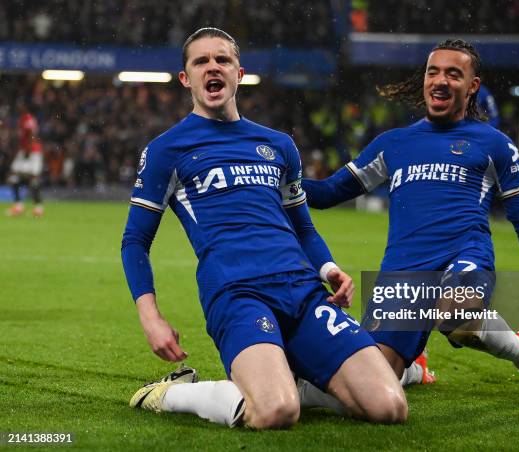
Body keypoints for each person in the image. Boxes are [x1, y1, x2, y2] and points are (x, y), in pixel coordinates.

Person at [121, 27, 407, 430]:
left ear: (240, 73)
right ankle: (173, 393)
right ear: (186, 79)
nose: (212, 67)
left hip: (303, 291)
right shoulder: (167, 150)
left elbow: (303, 228)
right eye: (200, 61)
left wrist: (328, 269)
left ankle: (290, 378)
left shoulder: (278, 145)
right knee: (275, 412)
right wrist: (151, 318)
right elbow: (135, 242)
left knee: (389, 407)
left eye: (222, 59)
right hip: (238, 294)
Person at [303, 39, 519, 397]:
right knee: (370, 386)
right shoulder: (393, 144)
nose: (441, 81)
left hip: (464, 256)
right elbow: (325, 195)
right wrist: (272, 178)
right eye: (433, 72)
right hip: (403, 273)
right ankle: (414, 367)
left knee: (456, 315)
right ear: (425, 80)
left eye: (453, 73)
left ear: (472, 86)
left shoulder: (493, 144)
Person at [6, 101, 44, 217]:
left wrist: (28, 150)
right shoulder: (23, 118)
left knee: (33, 179)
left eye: (21, 105)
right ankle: (18, 206)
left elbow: (32, 134)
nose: (18, 107)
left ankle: (38, 208)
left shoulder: (27, 118)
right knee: (14, 178)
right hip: (26, 151)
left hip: (32, 152)